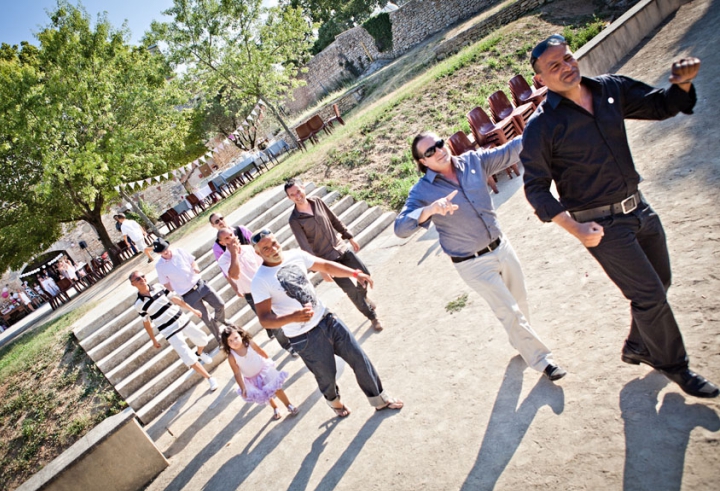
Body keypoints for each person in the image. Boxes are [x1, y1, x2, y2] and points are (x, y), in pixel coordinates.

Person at [520, 34, 717, 398]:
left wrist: (682, 82)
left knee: (660, 283)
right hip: (602, 227)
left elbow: (661, 105)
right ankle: (677, 367)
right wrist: (576, 228)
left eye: (568, 58)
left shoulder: (609, 90)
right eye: (554, 66)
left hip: (639, 208)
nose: (566, 67)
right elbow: (535, 188)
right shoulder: (542, 127)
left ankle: (638, 345)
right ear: (540, 80)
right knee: (650, 295)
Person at [395, 132, 566, 381]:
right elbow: (400, 229)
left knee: (520, 301)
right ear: (423, 162)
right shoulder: (421, 191)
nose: (438, 151)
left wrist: (544, 121)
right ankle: (543, 362)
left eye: (439, 144)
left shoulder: (473, 161)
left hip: (502, 246)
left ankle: (521, 342)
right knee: (509, 311)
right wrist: (430, 209)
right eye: (429, 151)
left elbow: (511, 150)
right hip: (472, 263)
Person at [250, 228, 403, 417]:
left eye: (274, 242)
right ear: (257, 253)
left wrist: (355, 274)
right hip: (303, 337)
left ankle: (380, 400)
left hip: (327, 318)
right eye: (265, 248)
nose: (273, 248)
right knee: (326, 377)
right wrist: (292, 318)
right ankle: (334, 402)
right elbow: (264, 319)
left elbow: (327, 267)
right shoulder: (260, 281)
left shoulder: (295, 255)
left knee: (359, 358)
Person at [285, 179, 383, 332]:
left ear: (303, 188)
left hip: (341, 248)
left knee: (365, 274)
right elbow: (305, 247)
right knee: (350, 290)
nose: (297, 196)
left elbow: (333, 219)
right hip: (327, 261)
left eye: (298, 191)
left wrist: (349, 236)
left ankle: (363, 297)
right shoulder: (295, 220)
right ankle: (372, 317)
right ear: (289, 198)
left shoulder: (317, 201)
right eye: (293, 195)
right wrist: (322, 270)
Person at [129, 271, 218, 391]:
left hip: (180, 318)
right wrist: (153, 339)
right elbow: (146, 322)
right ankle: (209, 378)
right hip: (168, 329)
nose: (142, 279)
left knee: (202, 339)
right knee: (187, 356)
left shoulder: (158, 287)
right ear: (133, 284)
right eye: (138, 279)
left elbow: (175, 299)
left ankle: (200, 353)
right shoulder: (138, 304)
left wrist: (192, 310)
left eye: (142, 276)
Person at [216, 227, 294, 356]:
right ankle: (288, 345)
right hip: (252, 294)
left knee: (283, 310)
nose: (232, 238)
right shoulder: (224, 260)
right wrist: (234, 253)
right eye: (227, 238)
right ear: (222, 243)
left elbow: (263, 265)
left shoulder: (249, 249)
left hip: (266, 285)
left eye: (232, 235)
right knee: (271, 320)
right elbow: (234, 275)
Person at [153, 237, 226, 344]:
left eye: (166, 249)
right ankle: (220, 339)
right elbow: (165, 282)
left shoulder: (179, 252)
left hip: (199, 284)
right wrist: (173, 292)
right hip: (188, 294)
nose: (165, 252)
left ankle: (220, 319)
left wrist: (195, 268)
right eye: (162, 251)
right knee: (206, 318)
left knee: (220, 304)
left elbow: (192, 261)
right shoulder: (159, 266)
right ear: (159, 253)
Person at [220, 325, 298, 420]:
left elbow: (260, 351)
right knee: (265, 395)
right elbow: (237, 373)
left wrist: (269, 361)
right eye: (230, 341)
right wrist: (243, 387)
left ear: (240, 335)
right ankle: (275, 407)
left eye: (236, 338)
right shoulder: (232, 357)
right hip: (252, 379)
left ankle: (288, 405)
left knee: (277, 389)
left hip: (264, 371)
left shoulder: (249, 343)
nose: (234, 342)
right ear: (226, 343)